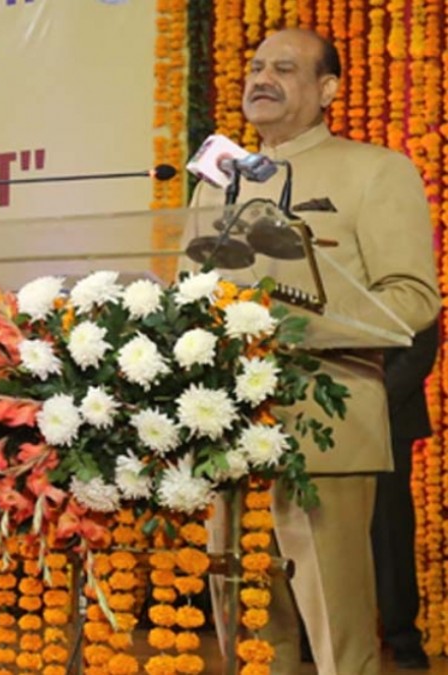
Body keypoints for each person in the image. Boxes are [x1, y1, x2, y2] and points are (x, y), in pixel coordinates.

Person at [194, 28, 441, 674]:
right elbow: (189, 294)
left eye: (284, 68)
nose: (261, 79)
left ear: (328, 89)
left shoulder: (375, 170)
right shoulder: (216, 184)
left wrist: (291, 322)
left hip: (326, 423)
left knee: (336, 628)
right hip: (224, 427)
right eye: (255, 67)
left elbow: (413, 298)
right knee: (248, 627)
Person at [372, 323, 439, 670]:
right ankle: (319, 635)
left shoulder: (412, 290)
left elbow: (420, 349)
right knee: (331, 533)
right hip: (332, 420)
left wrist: (372, 401)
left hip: (390, 418)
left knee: (390, 529)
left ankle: (402, 635)